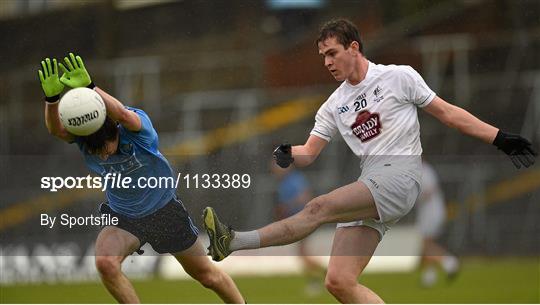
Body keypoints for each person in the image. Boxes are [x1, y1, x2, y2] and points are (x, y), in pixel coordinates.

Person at [202, 18, 537, 304]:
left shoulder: (399, 77)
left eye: (332, 53)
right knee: (338, 281)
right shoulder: (333, 105)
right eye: (323, 57)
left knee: (317, 209)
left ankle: (233, 241)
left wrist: (500, 138)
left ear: (354, 48)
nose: (327, 62)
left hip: (401, 176)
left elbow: (448, 114)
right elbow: (310, 151)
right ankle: (232, 242)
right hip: (374, 183)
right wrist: (290, 153)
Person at [39, 53, 245, 304]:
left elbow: (123, 114)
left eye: (105, 148)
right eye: (96, 152)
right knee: (106, 265)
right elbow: (56, 130)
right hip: (124, 217)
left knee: (207, 277)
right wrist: (51, 100)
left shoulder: (137, 131)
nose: (102, 156)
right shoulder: (85, 139)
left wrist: (90, 87)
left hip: (165, 213)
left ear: (113, 131)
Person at [270, 161, 326, 296]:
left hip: (304, 221)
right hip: (298, 222)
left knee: (303, 254)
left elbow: (305, 196)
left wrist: (287, 206)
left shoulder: (294, 179)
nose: (274, 169)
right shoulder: (284, 182)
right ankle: (319, 278)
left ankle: (325, 275)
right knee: (303, 254)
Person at [415, 161, 459, 287]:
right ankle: (429, 277)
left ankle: (449, 262)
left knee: (425, 244)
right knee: (426, 244)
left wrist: (411, 198)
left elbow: (429, 191)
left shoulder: (424, 171)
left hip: (431, 212)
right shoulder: (423, 170)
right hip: (430, 212)